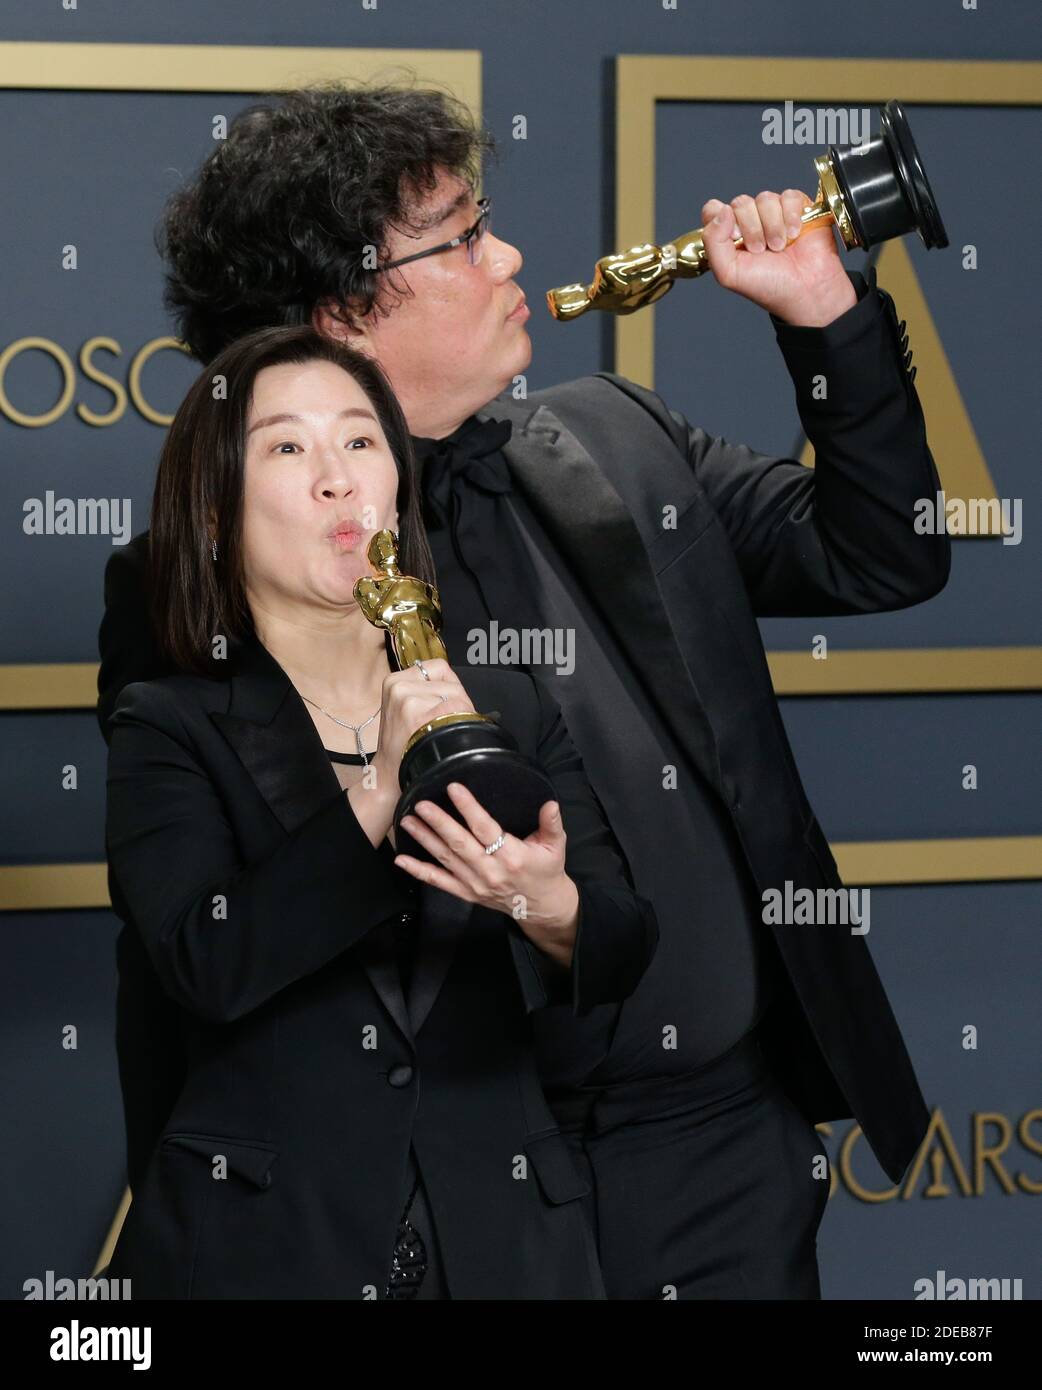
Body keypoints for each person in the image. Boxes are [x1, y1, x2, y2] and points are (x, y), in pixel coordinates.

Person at [98, 83, 950, 1299]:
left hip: (728, 1153)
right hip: (462, 1188)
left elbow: (887, 552)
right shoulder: (199, 578)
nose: (505, 253)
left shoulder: (614, 435)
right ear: (345, 312)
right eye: (458, 234)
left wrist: (827, 322)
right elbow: (209, 946)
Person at [102, 324, 658, 1299]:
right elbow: (206, 961)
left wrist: (545, 905)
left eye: (360, 441)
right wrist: (374, 796)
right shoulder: (169, 724)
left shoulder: (505, 701)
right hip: (264, 1245)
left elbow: (624, 936)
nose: (336, 478)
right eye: (286, 446)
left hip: (506, 1242)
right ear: (215, 511)